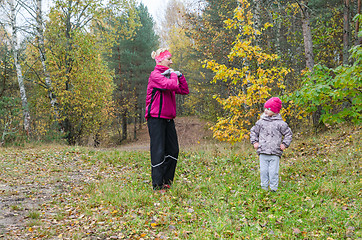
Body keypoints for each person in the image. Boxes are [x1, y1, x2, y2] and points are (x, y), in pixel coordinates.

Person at [145, 48, 189, 191]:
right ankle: (157, 185)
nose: (171, 62)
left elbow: (183, 90)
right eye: (168, 59)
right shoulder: (155, 75)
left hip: (168, 118)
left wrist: (180, 75)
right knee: (158, 150)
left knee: (173, 150)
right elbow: (171, 85)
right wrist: (172, 75)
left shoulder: (168, 75)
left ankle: (167, 181)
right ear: (160, 60)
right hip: (155, 118)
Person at [250, 97, 292, 192]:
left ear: (275, 111)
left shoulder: (280, 123)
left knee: (273, 172)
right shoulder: (261, 122)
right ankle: (264, 188)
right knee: (264, 171)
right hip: (263, 151)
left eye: (268, 109)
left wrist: (284, 144)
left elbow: (288, 134)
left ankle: (273, 189)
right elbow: (253, 131)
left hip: (275, 152)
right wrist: (255, 142)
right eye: (265, 108)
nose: (266, 111)